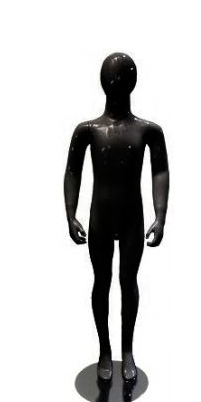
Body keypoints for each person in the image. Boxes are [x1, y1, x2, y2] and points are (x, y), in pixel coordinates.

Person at [64, 53, 170, 381]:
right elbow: (73, 171)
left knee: (128, 282)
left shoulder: (148, 130)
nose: (117, 82)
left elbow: (160, 171)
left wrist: (160, 215)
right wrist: (70, 214)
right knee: (102, 282)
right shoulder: (88, 130)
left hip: (131, 218)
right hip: (101, 217)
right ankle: (104, 350)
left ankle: (127, 350)